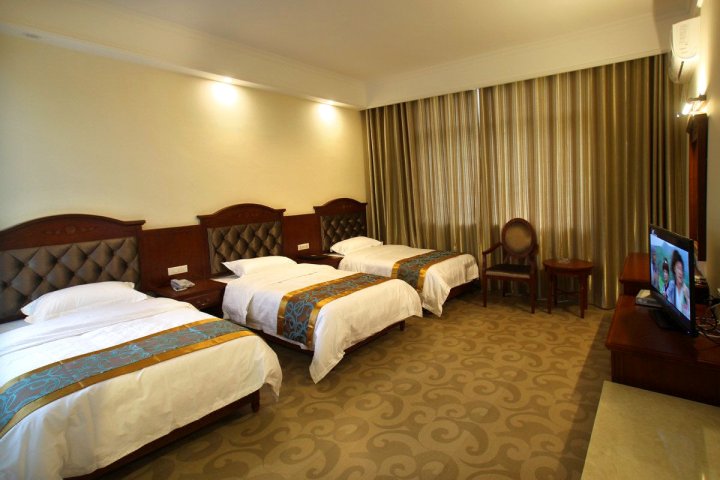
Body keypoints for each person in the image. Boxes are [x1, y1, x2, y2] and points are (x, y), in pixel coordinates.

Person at [666, 250, 690, 318]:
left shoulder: (686, 290)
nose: (681, 272)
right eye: (679, 268)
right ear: (674, 269)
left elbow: (689, 316)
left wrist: (687, 298)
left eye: (682, 269)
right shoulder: (671, 286)